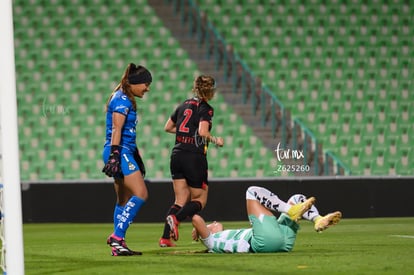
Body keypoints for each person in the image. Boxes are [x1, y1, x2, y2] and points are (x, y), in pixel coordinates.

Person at [159, 75, 224, 247]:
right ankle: (176, 218)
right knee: (200, 200)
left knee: (180, 199)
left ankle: (165, 238)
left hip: (177, 154)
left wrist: (185, 134)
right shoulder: (206, 109)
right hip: (194, 157)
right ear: (211, 91)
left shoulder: (183, 105)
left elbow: (168, 127)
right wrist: (216, 140)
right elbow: (203, 132)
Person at [191, 186, 342, 253]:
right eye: (211, 224)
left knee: (297, 198)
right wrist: (197, 229)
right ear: (206, 232)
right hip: (263, 242)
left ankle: (318, 219)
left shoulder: (222, 238)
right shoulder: (211, 242)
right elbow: (196, 218)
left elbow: (203, 223)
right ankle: (290, 210)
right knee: (251, 191)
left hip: (282, 242)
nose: (215, 223)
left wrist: (201, 227)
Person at [102, 63, 152, 256]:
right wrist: (115, 155)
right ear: (135, 83)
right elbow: (117, 129)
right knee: (140, 193)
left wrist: (134, 155)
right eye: (146, 84)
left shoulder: (122, 97)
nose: (147, 88)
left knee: (122, 199)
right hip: (119, 152)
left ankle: (118, 246)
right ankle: (117, 236)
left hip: (123, 151)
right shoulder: (123, 100)